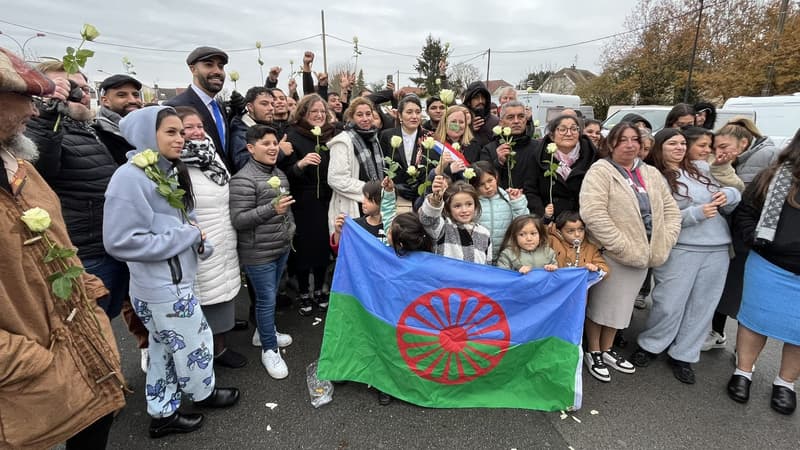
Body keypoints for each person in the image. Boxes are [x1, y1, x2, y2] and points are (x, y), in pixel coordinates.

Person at [0, 46, 126, 450]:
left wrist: (88, 296)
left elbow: (56, 240)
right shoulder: (46, 140)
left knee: (94, 426)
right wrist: (31, 362)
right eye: (27, 99)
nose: (34, 112)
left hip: (76, 339)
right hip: (28, 370)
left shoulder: (21, 167)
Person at [105, 106, 239, 438]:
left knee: (164, 348)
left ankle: (163, 412)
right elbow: (120, 241)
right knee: (196, 343)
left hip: (175, 281)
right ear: (146, 134)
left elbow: (176, 224)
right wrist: (185, 236)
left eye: (181, 132)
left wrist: (195, 241)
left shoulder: (163, 172)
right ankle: (202, 394)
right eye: (171, 132)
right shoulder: (129, 178)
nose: (180, 139)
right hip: (162, 288)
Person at [631, 128, 740, 384]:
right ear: (660, 147)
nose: (679, 148)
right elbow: (656, 219)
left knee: (703, 305)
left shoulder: (703, 168)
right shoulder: (653, 175)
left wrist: (730, 195)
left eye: (682, 143)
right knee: (669, 302)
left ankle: (684, 354)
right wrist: (696, 214)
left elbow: (736, 191)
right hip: (680, 246)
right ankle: (651, 345)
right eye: (672, 144)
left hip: (717, 248)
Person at [26, 61, 129, 320]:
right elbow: (40, 165)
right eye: (70, 88)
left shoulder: (90, 130)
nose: (81, 95)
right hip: (84, 256)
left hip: (111, 248)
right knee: (88, 331)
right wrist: (49, 112)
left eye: (84, 88)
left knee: (108, 320)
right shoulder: (40, 133)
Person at [579, 122, 681, 383]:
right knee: (601, 307)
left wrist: (665, 239)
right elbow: (593, 213)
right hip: (614, 253)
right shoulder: (600, 172)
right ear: (611, 143)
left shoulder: (650, 173)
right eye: (622, 139)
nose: (630, 144)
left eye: (634, 139)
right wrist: (621, 245)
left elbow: (670, 210)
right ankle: (594, 351)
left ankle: (607, 348)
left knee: (622, 309)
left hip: (645, 254)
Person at [726, 130, 800, 415]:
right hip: (769, 263)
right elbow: (745, 211)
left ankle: (785, 383)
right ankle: (743, 372)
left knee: (798, 331)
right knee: (756, 320)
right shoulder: (773, 176)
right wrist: (753, 236)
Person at [175, 106, 246, 369]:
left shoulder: (210, 154)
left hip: (224, 232)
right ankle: (212, 351)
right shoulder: (175, 163)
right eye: (187, 128)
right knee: (205, 291)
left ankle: (221, 337)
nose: (196, 132)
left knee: (223, 287)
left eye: (199, 126)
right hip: (201, 237)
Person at [705, 117, 781, 352]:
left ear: (744, 143)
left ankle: (743, 350)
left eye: (724, 147)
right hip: (734, 231)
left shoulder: (768, 156)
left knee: (744, 292)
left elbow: (755, 196)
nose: (720, 152)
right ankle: (717, 333)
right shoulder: (735, 158)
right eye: (716, 147)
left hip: (751, 235)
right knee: (726, 287)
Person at [229, 125, 296, 379]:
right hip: (258, 253)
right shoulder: (243, 179)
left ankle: (263, 334)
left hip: (280, 247)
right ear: (250, 148)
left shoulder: (278, 172)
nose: (272, 148)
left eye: (274, 143)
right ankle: (269, 349)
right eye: (265, 143)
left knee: (267, 299)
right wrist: (271, 209)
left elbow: (286, 208)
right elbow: (239, 220)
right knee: (267, 300)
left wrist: (290, 228)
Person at [283, 94, 336, 315]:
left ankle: (321, 290)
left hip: (326, 197)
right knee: (305, 247)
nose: (319, 115)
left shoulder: (331, 135)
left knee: (324, 245)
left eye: (322, 111)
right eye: (314, 111)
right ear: (304, 113)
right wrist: (301, 164)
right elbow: (285, 172)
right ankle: (304, 291)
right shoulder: (292, 135)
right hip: (303, 200)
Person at [326, 97, 385, 232]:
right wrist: (371, 191)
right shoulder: (342, 141)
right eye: (359, 115)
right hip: (353, 206)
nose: (365, 118)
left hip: (374, 207)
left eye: (368, 114)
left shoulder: (374, 140)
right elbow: (336, 178)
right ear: (351, 118)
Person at [166, 46, 230, 167]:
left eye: (220, 66)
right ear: (193, 69)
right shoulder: (174, 107)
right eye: (209, 65)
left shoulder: (219, 107)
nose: (217, 71)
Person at [527, 114, 597, 221]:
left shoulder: (592, 155)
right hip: (551, 222)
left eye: (574, 129)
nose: (569, 134)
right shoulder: (539, 156)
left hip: (583, 222)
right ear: (552, 135)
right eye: (562, 129)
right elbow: (531, 190)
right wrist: (543, 214)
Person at [419, 176, 492, 264]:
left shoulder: (485, 233)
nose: (464, 210)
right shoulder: (443, 228)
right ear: (449, 208)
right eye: (457, 206)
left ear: (475, 205)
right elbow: (427, 219)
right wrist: (436, 199)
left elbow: (488, 267)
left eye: (469, 204)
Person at [479, 101, 538, 204]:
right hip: (499, 207)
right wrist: (499, 162)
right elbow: (484, 182)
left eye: (521, 116)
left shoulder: (537, 147)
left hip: (530, 208)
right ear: (501, 122)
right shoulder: (489, 149)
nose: (516, 121)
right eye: (510, 117)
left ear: (526, 119)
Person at [469, 161, 528, 263]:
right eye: (481, 184)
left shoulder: (508, 198)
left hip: (507, 257)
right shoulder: (472, 203)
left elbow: (523, 223)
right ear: (474, 186)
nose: (487, 186)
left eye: (490, 180)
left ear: (496, 177)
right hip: (480, 257)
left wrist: (517, 202)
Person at [379, 95, 428, 213]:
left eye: (417, 112)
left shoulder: (428, 136)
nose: (414, 116)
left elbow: (431, 166)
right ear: (400, 115)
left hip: (421, 196)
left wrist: (421, 184)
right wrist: (395, 186)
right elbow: (382, 165)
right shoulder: (387, 135)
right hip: (396, 196)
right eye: (409, 112)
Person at [95, 74, 143, 165]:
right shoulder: (96, 135)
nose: (132, 100)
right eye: (122, 95)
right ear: (105, 101)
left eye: (136, 95)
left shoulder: (150, 128)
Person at [462, 81, 500, 147]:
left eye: (483, 97)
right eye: (476, 97)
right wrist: (469, 129)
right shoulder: (461, 119)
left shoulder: (495, 122)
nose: (480, 101)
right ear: (469, 101)